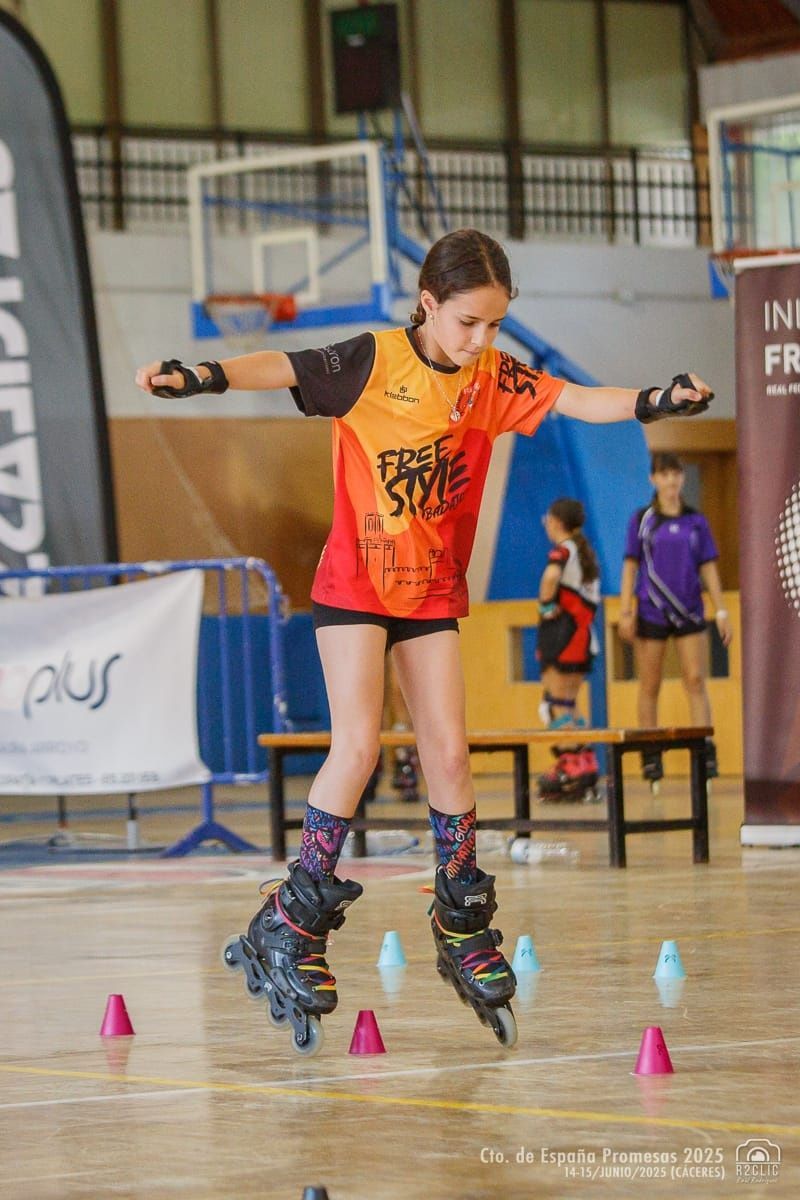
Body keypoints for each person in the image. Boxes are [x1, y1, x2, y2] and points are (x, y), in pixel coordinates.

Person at [136, 228, 713, 1053]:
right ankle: (290, 922)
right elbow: (285, 366)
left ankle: (460, 919)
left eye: (494, 325)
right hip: (354, 586)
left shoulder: (492, 378)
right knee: (358, 747)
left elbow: (578, 401)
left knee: (449, 754)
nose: (481, 340)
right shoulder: (372, 360)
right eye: (468, 322)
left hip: (430, 591)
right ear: (428, 304)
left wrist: (657, 399)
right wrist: (201, 377)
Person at [618, 451, 733, 784]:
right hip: (651, 610)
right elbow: (630, 566)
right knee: (649, 683)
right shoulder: (642, 520)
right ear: (653, 479)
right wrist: (626, 611)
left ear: (682, 478)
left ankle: (703, 749)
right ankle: (651, 753)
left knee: (695, 680)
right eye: (664, 474)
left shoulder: (696, 522)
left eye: (675, 474)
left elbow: (708, 567)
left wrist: (721, 610)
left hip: (689, 610)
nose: (670, 480)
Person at [535, 497, 601, 802]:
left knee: (553, 704)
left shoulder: (563, 550)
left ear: (556, 522)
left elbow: (550, 577)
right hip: (582, 635)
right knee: (570, 704)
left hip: (562, 633)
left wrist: (545, 606)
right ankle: (585, 762)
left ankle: (569, 764)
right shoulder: (585, 553)